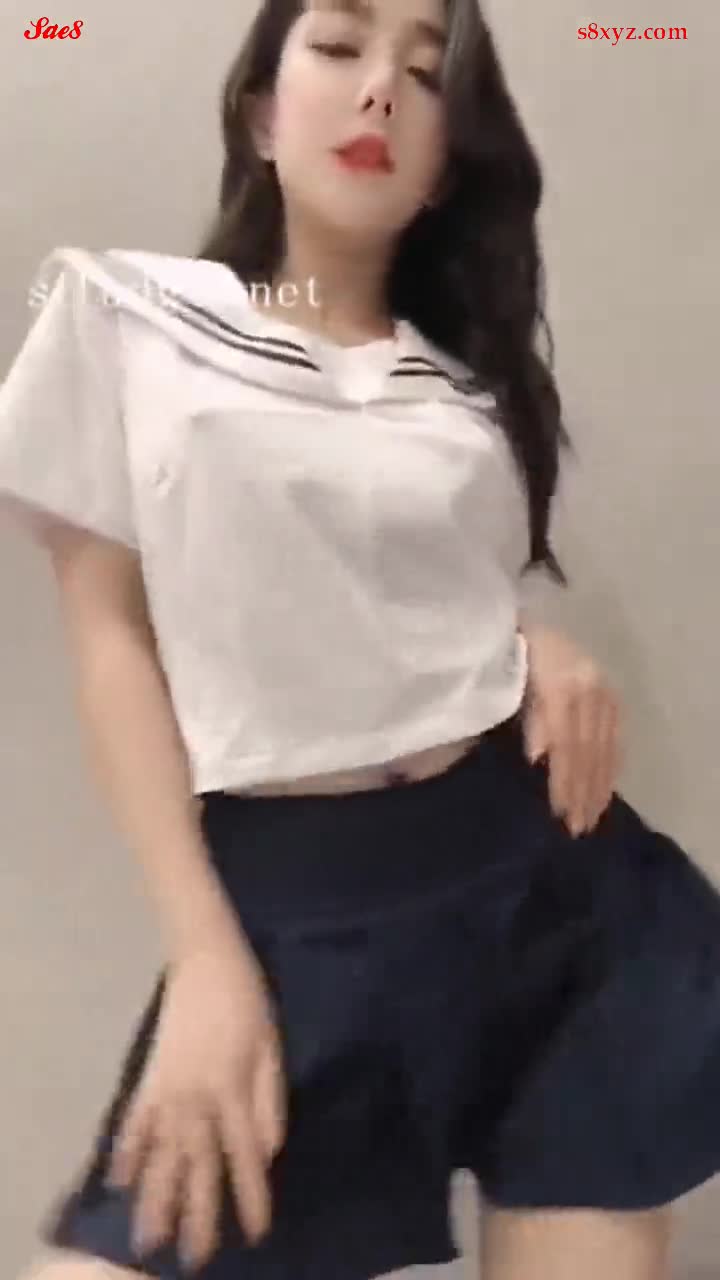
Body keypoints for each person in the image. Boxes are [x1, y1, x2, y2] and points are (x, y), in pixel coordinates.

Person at [1, 1, 718, 1279]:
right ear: (261, 116)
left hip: (551, 889)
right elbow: (112, 638)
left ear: (445, 165)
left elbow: (411, 594)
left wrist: (534, 642)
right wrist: (205, 954)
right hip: (298, 908)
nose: (381, 89)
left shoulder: (463, 386)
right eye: (339, 48)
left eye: (426, 75)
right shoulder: (131, 317)